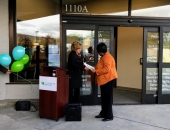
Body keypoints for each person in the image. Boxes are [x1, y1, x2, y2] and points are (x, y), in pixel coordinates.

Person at [91, 42, 118, 122]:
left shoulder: (107, 57)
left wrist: (96, 71)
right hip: (105, 80)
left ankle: (109, 116)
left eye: (98, 51)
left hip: (108, 80)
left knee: (107, 98)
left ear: (100, 52)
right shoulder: (104, 56)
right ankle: (103, 113)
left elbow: (106, 69)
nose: (98, 53)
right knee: (104, 98)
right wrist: (93, 68)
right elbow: (100, 66)